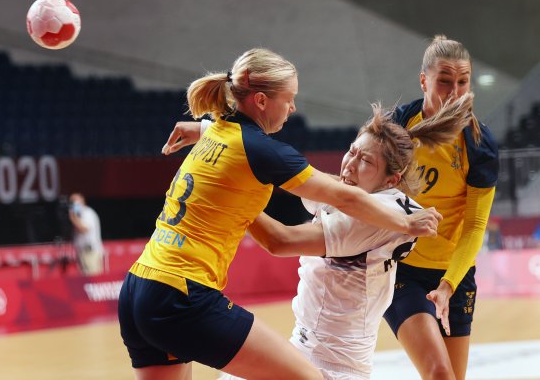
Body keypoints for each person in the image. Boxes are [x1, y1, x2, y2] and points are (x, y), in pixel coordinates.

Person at [118, 48, 441, 380]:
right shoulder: (263, 150)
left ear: (392, 179)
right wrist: (407, 223)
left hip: (139, 288)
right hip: (181, 294)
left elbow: (335, 194)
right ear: (261, 101)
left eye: (366, 160)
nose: (293, 108)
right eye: (289, 98)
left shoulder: (219, 133)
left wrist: (207, 144)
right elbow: (343, 197)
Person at [218, 93, 473, 380]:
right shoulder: (354, 192)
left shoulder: (375, 217)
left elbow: (280, 241)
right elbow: (303, 179)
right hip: (303, 353)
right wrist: (212, 133)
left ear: (391, 180)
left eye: (365, 160)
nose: (349, 165)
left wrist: (231, 192)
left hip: (332, 369)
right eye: (351, 151)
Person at [382, 35, 499, 380]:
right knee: (438, 373)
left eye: (463, 82)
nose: (454, 91)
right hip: (400, 268)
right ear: (423, 81)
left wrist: (448, 285)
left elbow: (475, 226)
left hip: (454, 275)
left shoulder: (479, 143)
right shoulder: (398, 127)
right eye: (444, 81)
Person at [68, 192, 104, 276]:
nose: (74, 203)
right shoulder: (78, 215)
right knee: (84, 280)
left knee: (93, 279)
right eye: (72, 202)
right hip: (82, 252)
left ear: (82, 200)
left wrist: (73, 218)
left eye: (76, 200)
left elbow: (84, 229)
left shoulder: (88, 213)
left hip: (91, 252)